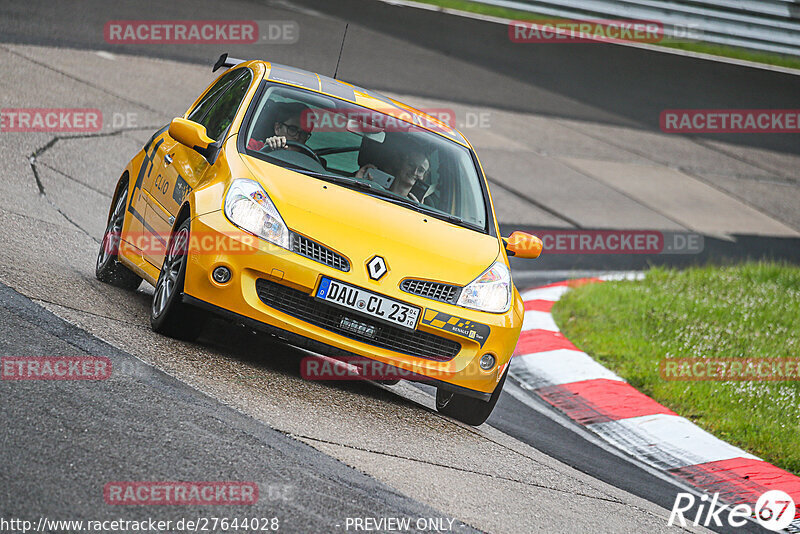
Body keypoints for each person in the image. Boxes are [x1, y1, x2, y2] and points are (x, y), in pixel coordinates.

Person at [356, 147, 430, 202]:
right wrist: (357, 183)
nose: (414, 172)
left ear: (424, 177)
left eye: (421, 170)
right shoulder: (373, 188)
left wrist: (419, 209)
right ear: (400, 164)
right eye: (411, 165)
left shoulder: (420, 205)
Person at [247, 102, 313, 152]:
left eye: (304, 134)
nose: (297, 137)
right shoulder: (253, 147)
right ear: (277, 128)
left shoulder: (311, 162)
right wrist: (266, 149)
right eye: (292, 129)